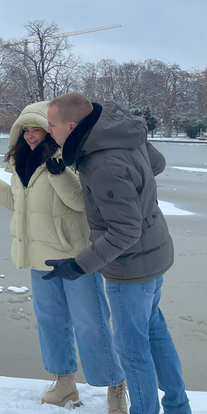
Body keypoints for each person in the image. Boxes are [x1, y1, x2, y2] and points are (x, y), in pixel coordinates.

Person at [0, 101, 127, 412]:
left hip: (75, 258)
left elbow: (81, 203)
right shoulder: (19, 163)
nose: (29, 135)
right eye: (25, 130)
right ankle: (65, 384)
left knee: (91, 323)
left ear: (49, 129)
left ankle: (115, 386)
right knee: (51, 323)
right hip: (38, 257)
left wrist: (60, 174)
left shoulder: (70, 158)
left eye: (35, 129)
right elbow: (21, 206)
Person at [45, 93, 191, 414]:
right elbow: (157, 164)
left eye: (51, 125)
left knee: (132, 351)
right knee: (154, 331)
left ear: (71, 126)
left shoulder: (103, 165)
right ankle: (179, 407)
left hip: (131, 270)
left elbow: (125, 232)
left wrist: (78, 266)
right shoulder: (119, 133)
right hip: (155, 252)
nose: (47, 131)